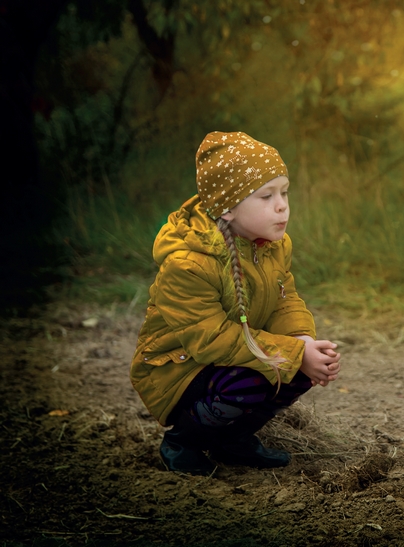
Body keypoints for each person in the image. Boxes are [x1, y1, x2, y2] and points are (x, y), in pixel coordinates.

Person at [130, 131, 341, 475]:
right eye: (265, 196)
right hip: (179, 369)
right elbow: (211, 339)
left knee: (299, 372)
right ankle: (183, 439)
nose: (281, 205)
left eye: (284, 192)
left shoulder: (271, 245)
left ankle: (232, 439)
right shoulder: (188, 265)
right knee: (256, 377)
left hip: (232, 357)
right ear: (227, 208)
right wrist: (292, 354)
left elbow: (284, 299)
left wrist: (302, 342)